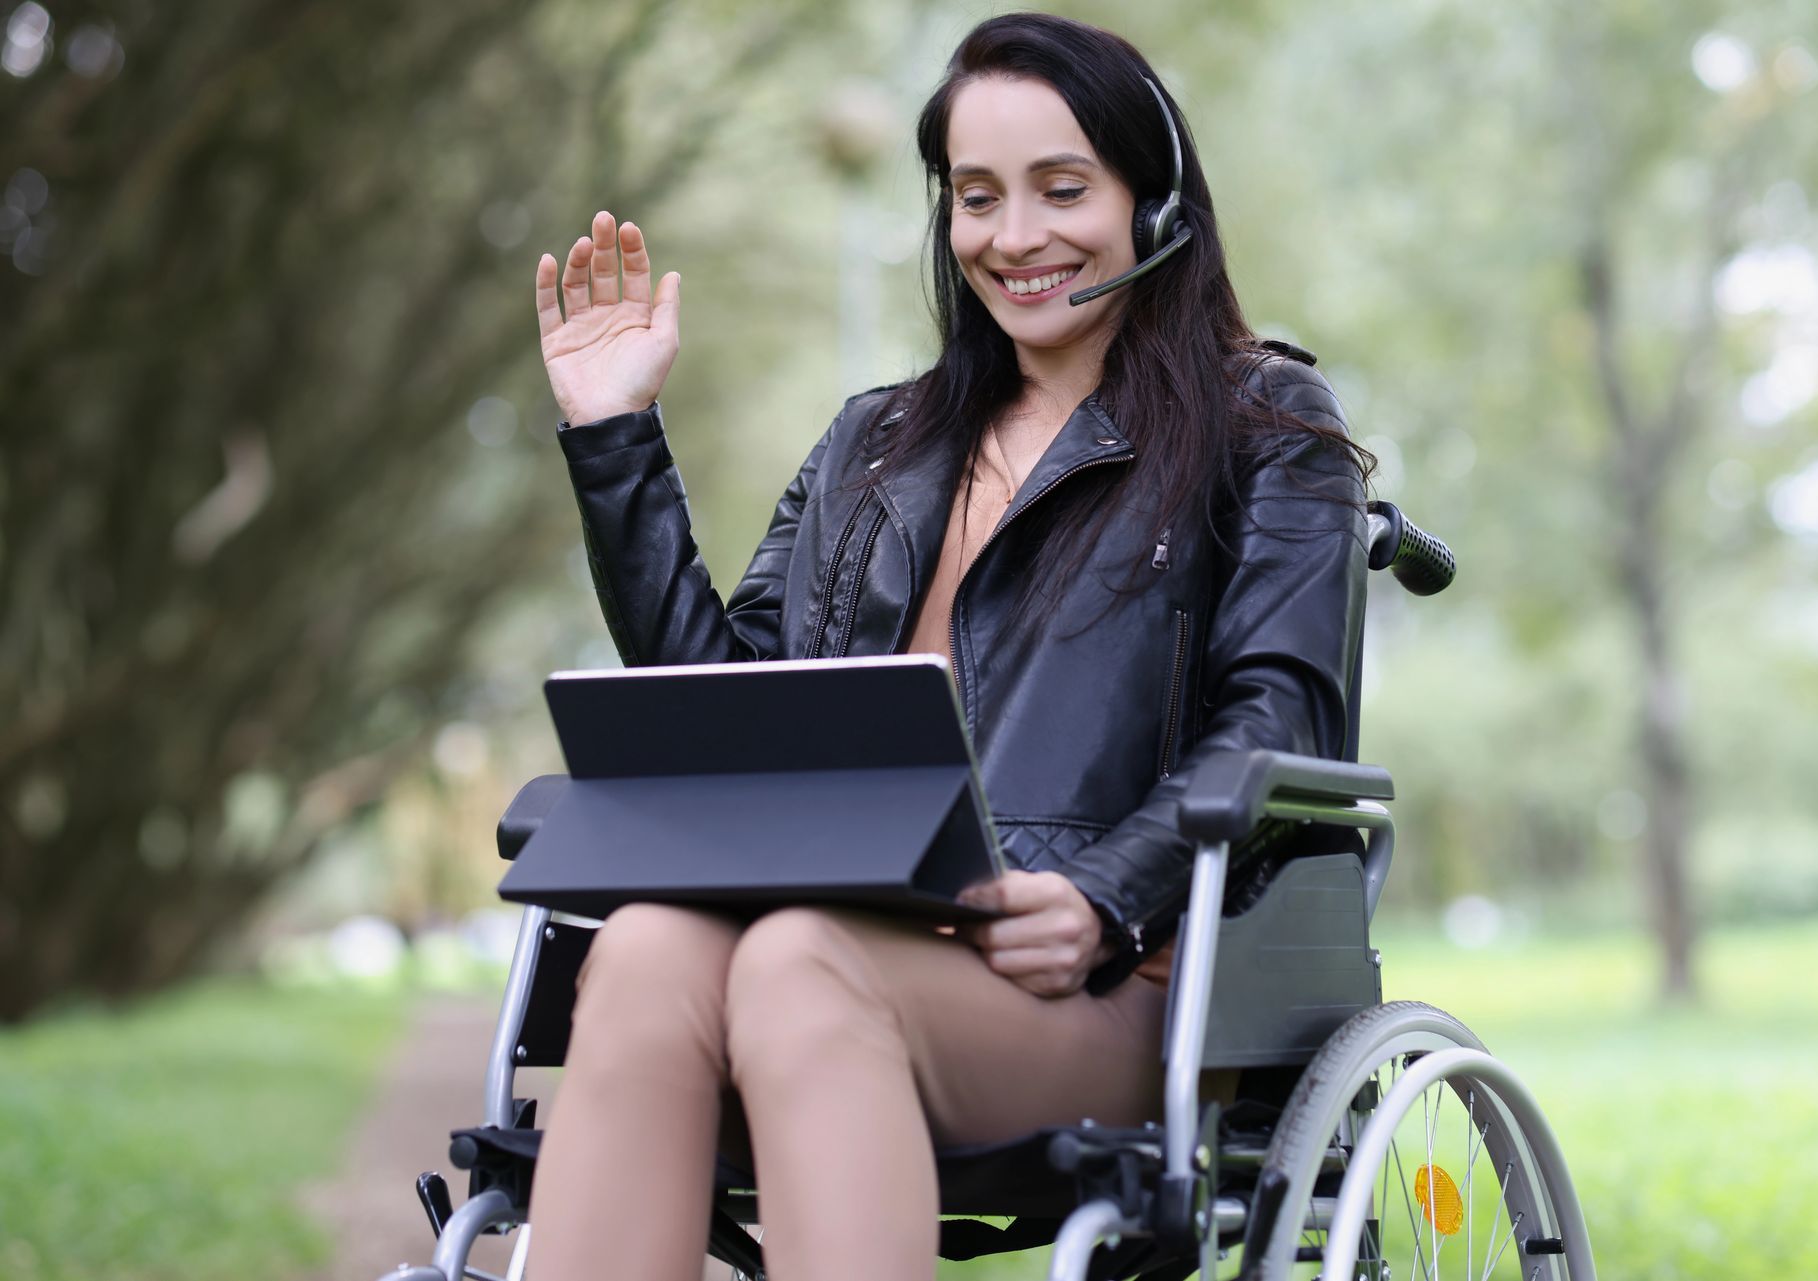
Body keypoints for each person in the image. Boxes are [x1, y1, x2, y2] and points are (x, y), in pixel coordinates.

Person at [523, 12, 1372, 1279]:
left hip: (1115, 982)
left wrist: (1104, 899)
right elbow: (729, 708)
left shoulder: (1264, 424)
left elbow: (1281, 716)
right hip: (834, 934)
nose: (1015, 237)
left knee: (799, 961)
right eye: (977, 197)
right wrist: (613, 438)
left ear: (1156, 204)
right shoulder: (875, 445)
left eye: (1062, 188)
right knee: (647, 941)